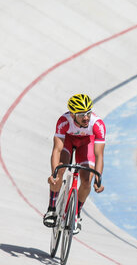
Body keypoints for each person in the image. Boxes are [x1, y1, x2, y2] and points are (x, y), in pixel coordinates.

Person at [43, 94, 105, 234]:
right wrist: (54, 173)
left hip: (86, 144)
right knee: (59, 172)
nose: (86, 117)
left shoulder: (97, 124)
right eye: (81, 114)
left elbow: (98, 154)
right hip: (68, 142)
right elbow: (57, 149)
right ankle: (51, 210)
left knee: (87, 181)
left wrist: (98, 178)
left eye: (88, 113)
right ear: (72, 115)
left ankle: (76, 214)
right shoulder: (64, 121)